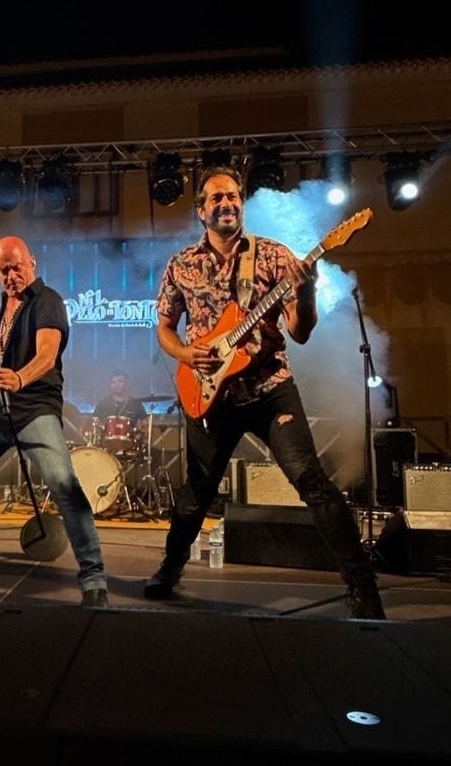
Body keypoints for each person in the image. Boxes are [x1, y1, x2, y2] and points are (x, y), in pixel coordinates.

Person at [143, 165, 386, 620]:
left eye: (233, 196)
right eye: (217, 198)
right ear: (201, 210)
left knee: (311, 480)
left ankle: (362, 586)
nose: (227, 204)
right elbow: (164, 327)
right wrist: (186, 355)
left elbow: (300, 332)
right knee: (196, 493)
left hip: (271, 388)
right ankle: (170, 568)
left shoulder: (274, 256)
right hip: (210, 393)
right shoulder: (181, 265)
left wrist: (306, 291)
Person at [0, 235, 109, 607]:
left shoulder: (47, 301)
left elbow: (46, 355)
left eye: (16, 267)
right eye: (3, 270)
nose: (11, 275)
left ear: (31, 262)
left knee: (64, 485)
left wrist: (19, 378)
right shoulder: (4, 308)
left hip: (35, 408)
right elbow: (0, 368)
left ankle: (94, 578)